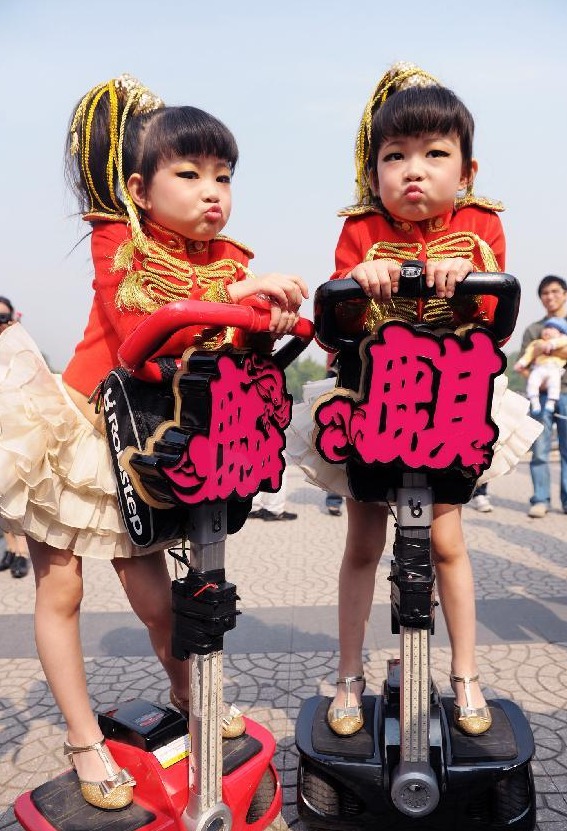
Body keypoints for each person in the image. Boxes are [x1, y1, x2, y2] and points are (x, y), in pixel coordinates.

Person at [0, 74, 308, 811]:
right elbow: (142, 312)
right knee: (63, 583)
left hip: (144, 435)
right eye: (190, 173)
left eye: (224, 176)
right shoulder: (120, 240)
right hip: (78, 425)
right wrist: (244, 297)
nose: (212, 191)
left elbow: (228, 336)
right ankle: (83, 740)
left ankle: (188, 689)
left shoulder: (228, 256)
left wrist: (268, 309)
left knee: (152, 597)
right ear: (139, 188)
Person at [289, 62, 539, 740]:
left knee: (448, 541)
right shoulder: (362, 229)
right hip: (375, 401)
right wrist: (357, 275)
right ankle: (347, 673)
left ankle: (463, 672)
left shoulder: (481, 225)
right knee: (363, 541)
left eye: (434, 154)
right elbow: (336, 323)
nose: (413, 171)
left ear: (466, 169)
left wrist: (468, 282)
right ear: (373, 173)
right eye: (394, 157)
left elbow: (495, 321)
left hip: (449, 407)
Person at [516, 276, 567, 518]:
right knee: (540, 450)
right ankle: (540, 499)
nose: (550, 296)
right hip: (542, 397)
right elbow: (522, 364)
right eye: (545, 293)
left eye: (555, 291)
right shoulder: (534, 330)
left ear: (565, 294)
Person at [514, 317, 567, 415]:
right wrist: (522, 363)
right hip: (539, 368)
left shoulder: (562, 341)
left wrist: (552, 344)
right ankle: (534, 402)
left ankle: (551, 401)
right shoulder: (537, 343)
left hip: (554, 369)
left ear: (560, 333)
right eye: (546, 328)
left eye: (552, 328)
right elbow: (528, 354)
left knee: (554, 383)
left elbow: (563, 341)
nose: (547, 330)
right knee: (533, 381)